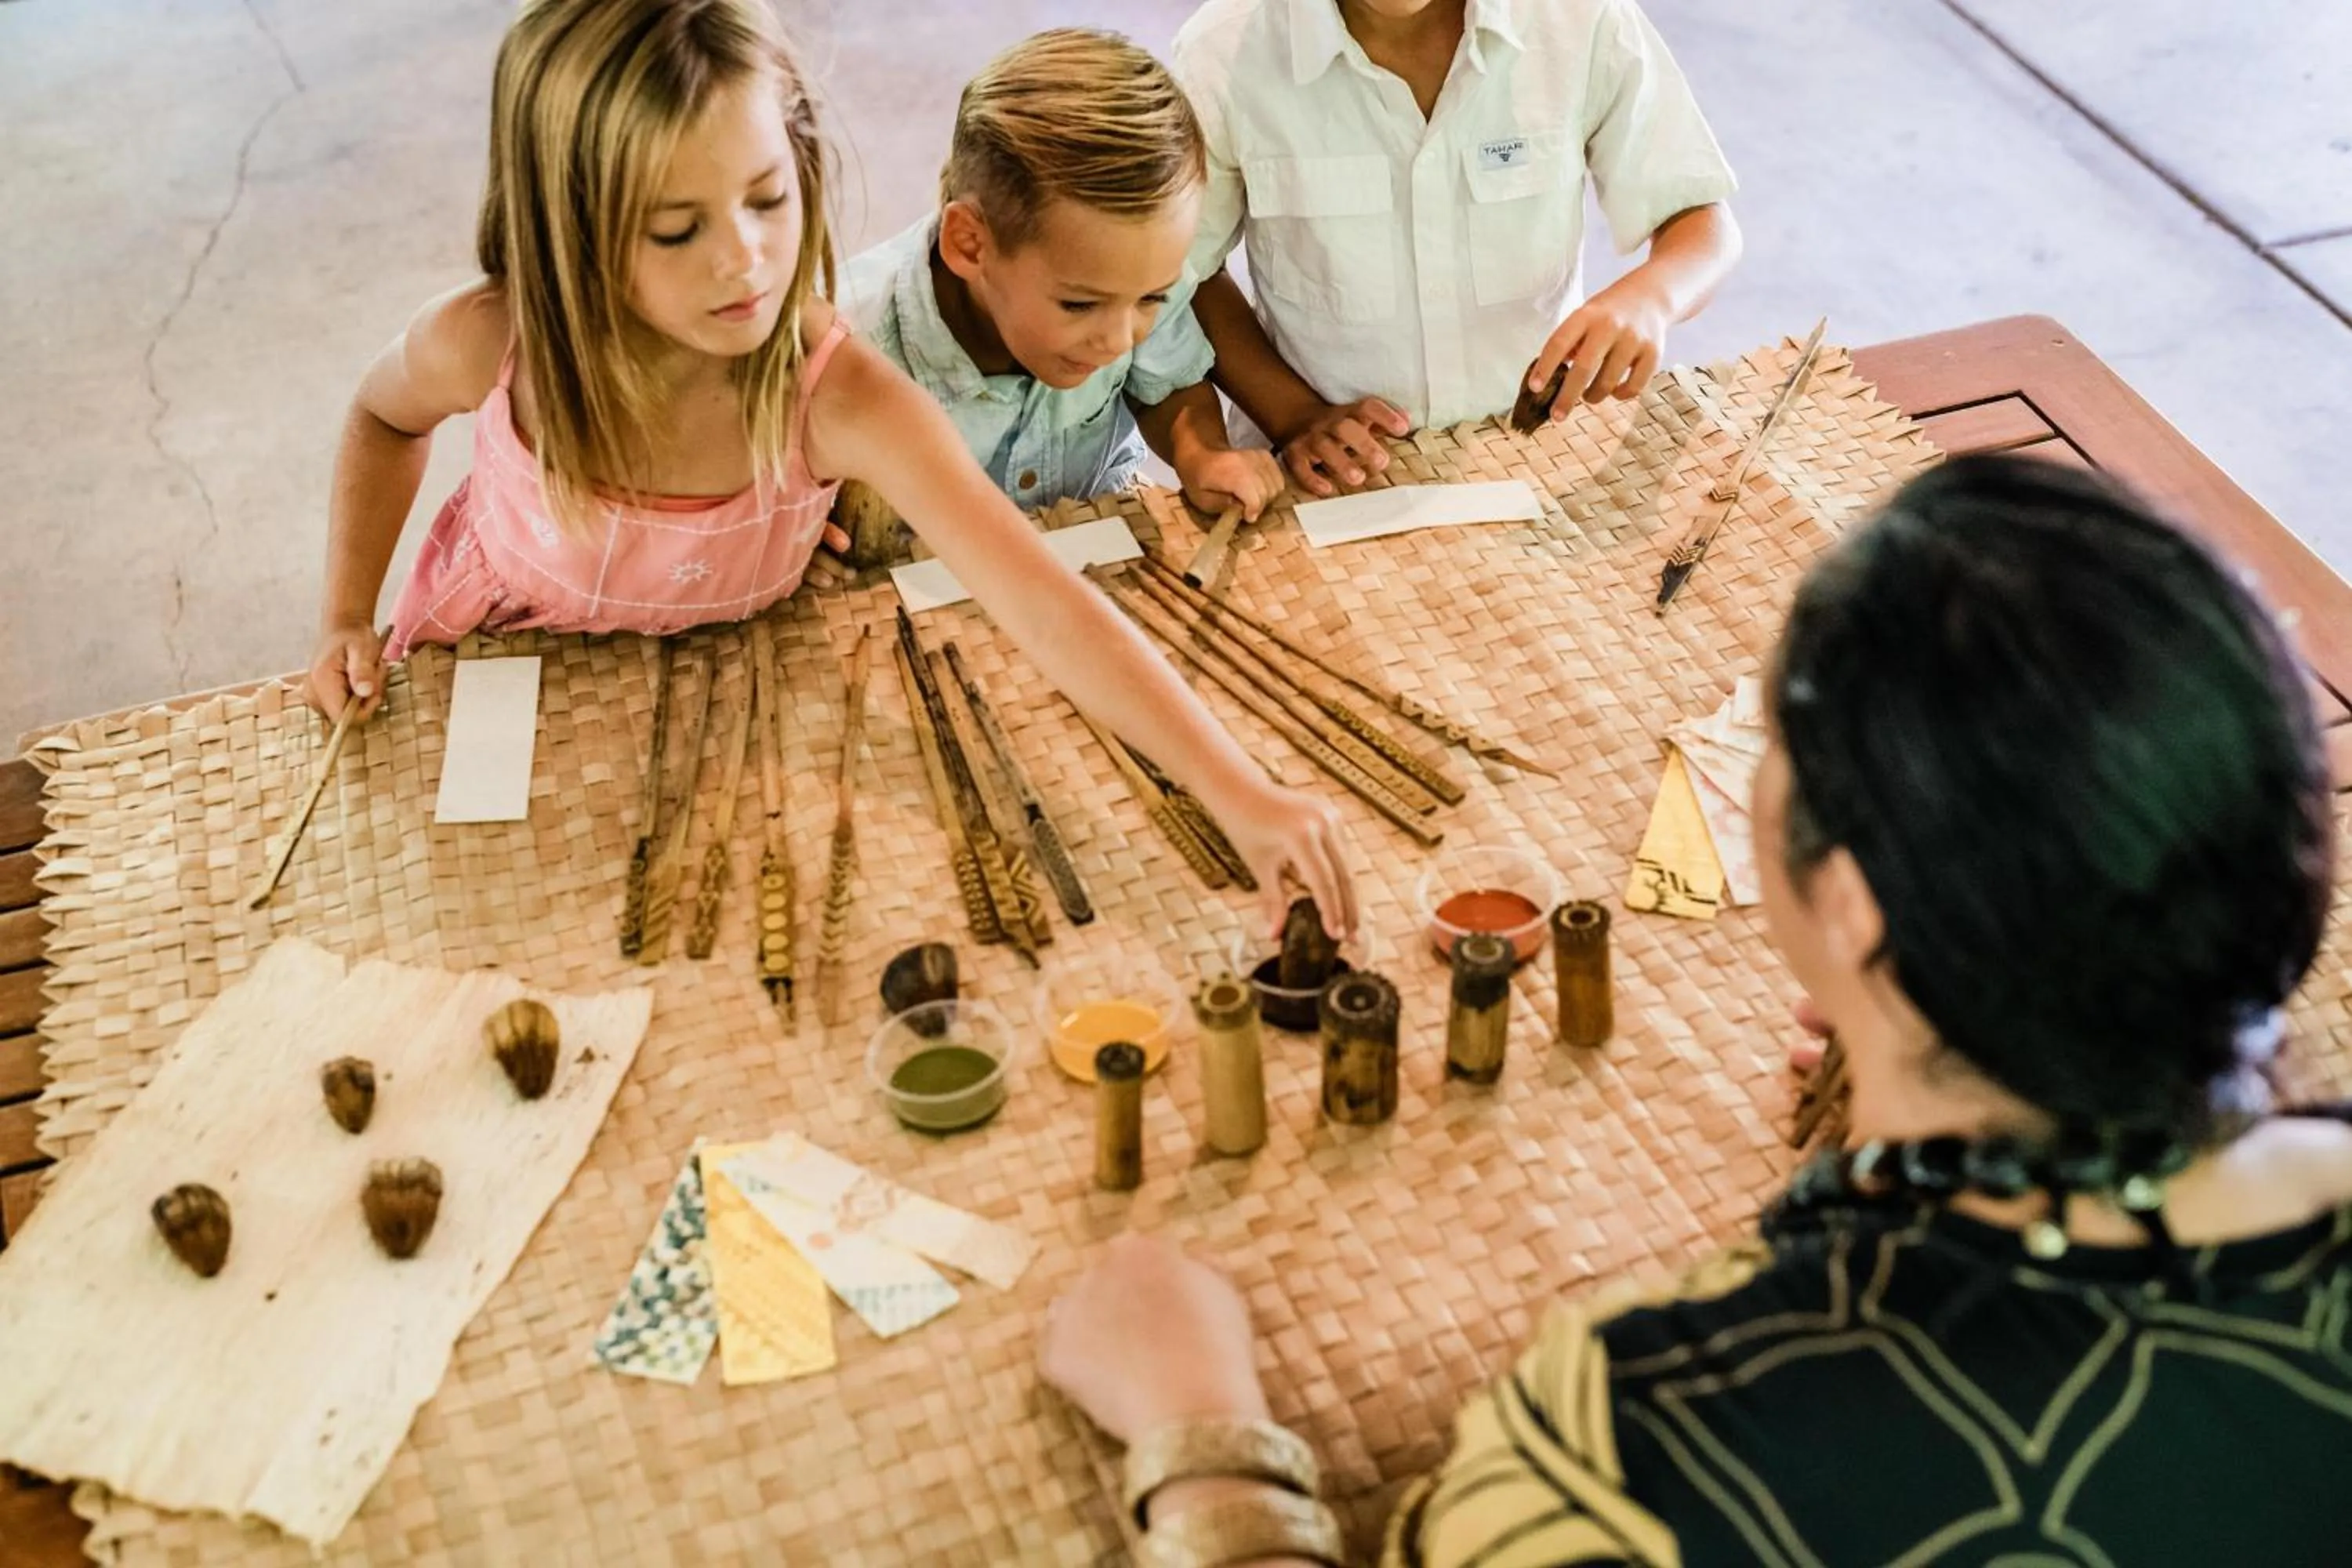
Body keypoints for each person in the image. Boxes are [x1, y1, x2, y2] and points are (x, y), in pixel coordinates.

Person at [1043, 456, 2352, 1565]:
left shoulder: (1627, 1448)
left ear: (1848, 902)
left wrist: (1202, 1440)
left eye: (1769, 736)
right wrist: (1919, 1120)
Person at [300, 0, 1353, 932]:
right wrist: (347, 612)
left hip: (732, 705)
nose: (745, 260)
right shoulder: (495, 343)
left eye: (767, 199)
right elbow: (381, 419)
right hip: (504, 688)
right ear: (570, 228)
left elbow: (1047, 605)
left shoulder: (835, 392)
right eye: (678, 228)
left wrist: (1243, 793)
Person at [1171, 0, 1742, 498]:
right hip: (1327, 471)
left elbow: (1703, 223)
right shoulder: (1223, 53)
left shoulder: (1579, 19)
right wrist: (1292, 412)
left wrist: (1651, 299)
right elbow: (1177, 275)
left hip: (1538, 454)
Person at [840, 28, 1283, 521]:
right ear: (970, 244)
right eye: (1079, 304)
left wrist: (1202, 454)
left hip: (1098, 530)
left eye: (1152, 298)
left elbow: (1168, 383)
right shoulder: (841, 351)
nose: (1120, 339)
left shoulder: (1126, 280)